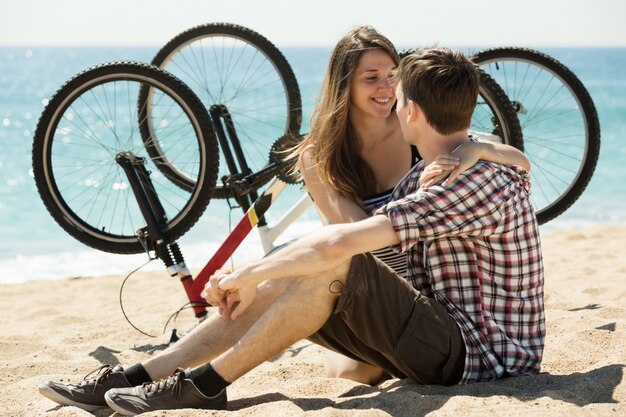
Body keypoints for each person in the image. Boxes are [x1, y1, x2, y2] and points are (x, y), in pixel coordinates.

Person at [39, 45, 545, 415]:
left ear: (411, 110)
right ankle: (142, 375)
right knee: (305, 266)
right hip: (443, 334)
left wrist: (250, 272)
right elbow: (516, 163)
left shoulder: (464, 181)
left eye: (398, 91)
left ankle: (204, 385)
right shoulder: (450, 164)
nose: (391, 98)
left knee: (328, 259)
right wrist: (486, 147)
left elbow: (343, 241)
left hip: (478, 355)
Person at [291, 26, 530, 384]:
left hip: (435, 292)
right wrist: (419, 202)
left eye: (392, 76)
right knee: (351, 374)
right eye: (371, 78)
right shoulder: (320, 156)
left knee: (380, 366)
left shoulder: (412, 127)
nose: (386, 88)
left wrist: (480, 148)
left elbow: (521, 164)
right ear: (344, 86)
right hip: (377, 278)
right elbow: (367, 241)